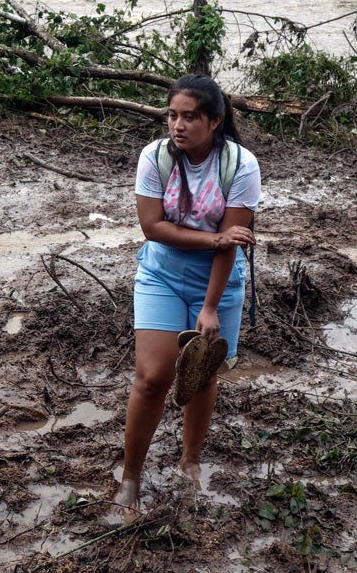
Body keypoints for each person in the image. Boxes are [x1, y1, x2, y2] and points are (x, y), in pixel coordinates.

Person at [114, 74, 261, 515]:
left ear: (214, 121)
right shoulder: (154, 157)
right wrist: (213, 239)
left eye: (189, 117)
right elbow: (152, 228)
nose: (177, 126)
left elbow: (232, 241)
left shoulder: (241, 166)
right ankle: (131, 475)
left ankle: (190, 460)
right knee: (153, 376)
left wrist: (211, 306)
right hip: (162, 273)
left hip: (218, 280)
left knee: (201, 376)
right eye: (172, 116)